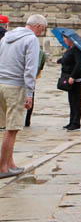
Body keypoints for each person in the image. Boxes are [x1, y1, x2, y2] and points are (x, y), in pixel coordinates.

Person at [0, 14, 47, 178]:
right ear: (38, 27)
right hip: (15, 86)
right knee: (12, 129)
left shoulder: (6, 37)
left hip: (1, 83)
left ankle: (10, 163)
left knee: (7, 126)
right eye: (43, 30)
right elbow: (30, 69)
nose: (42, 33)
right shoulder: (31, 40)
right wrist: (29, 93)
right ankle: (3, 168)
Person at [59, 34, 81, 131]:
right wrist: (61, 60)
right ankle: (72, 121)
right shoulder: (70, 48)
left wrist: (73, 76)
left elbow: (79, 64)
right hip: (70, 77)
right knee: (71, 100)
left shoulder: (77, 49)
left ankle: (76, 123)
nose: (64, 40)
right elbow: (69, 59)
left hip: (78, 79)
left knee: (76, 100)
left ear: (70, 39)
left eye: (65, 38)